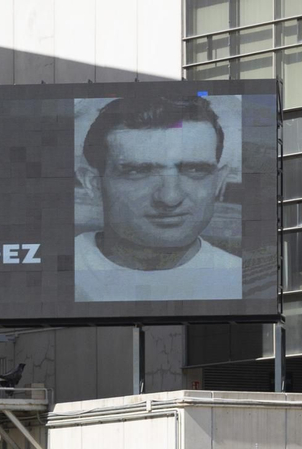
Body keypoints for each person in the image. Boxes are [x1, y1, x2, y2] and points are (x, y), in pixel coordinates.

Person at [74, 94, 242, 302]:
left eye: (195, 170)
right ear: (93, 184)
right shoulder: (56, 275)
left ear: (218, 182)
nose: (170, 197)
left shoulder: (241, 280)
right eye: (138, 172)